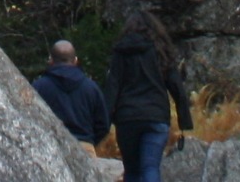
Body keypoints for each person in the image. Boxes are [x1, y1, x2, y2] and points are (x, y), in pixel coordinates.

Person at [103, 14, 195, 182]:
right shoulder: (161, 52)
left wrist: (104, 122)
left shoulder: (121, 52)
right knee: (150, 167)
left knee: (131, 171)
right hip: (156, 116)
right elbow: (177, 87)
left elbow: (112, 87)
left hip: (127, 118)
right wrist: (184, 123)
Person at [31, 39, 112, 146]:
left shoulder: (39, 87)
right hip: (84, 145)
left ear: (51, 60)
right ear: (75, 60)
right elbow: (103, 125)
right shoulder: (91, 88)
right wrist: (90, 141)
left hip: (50, 146)